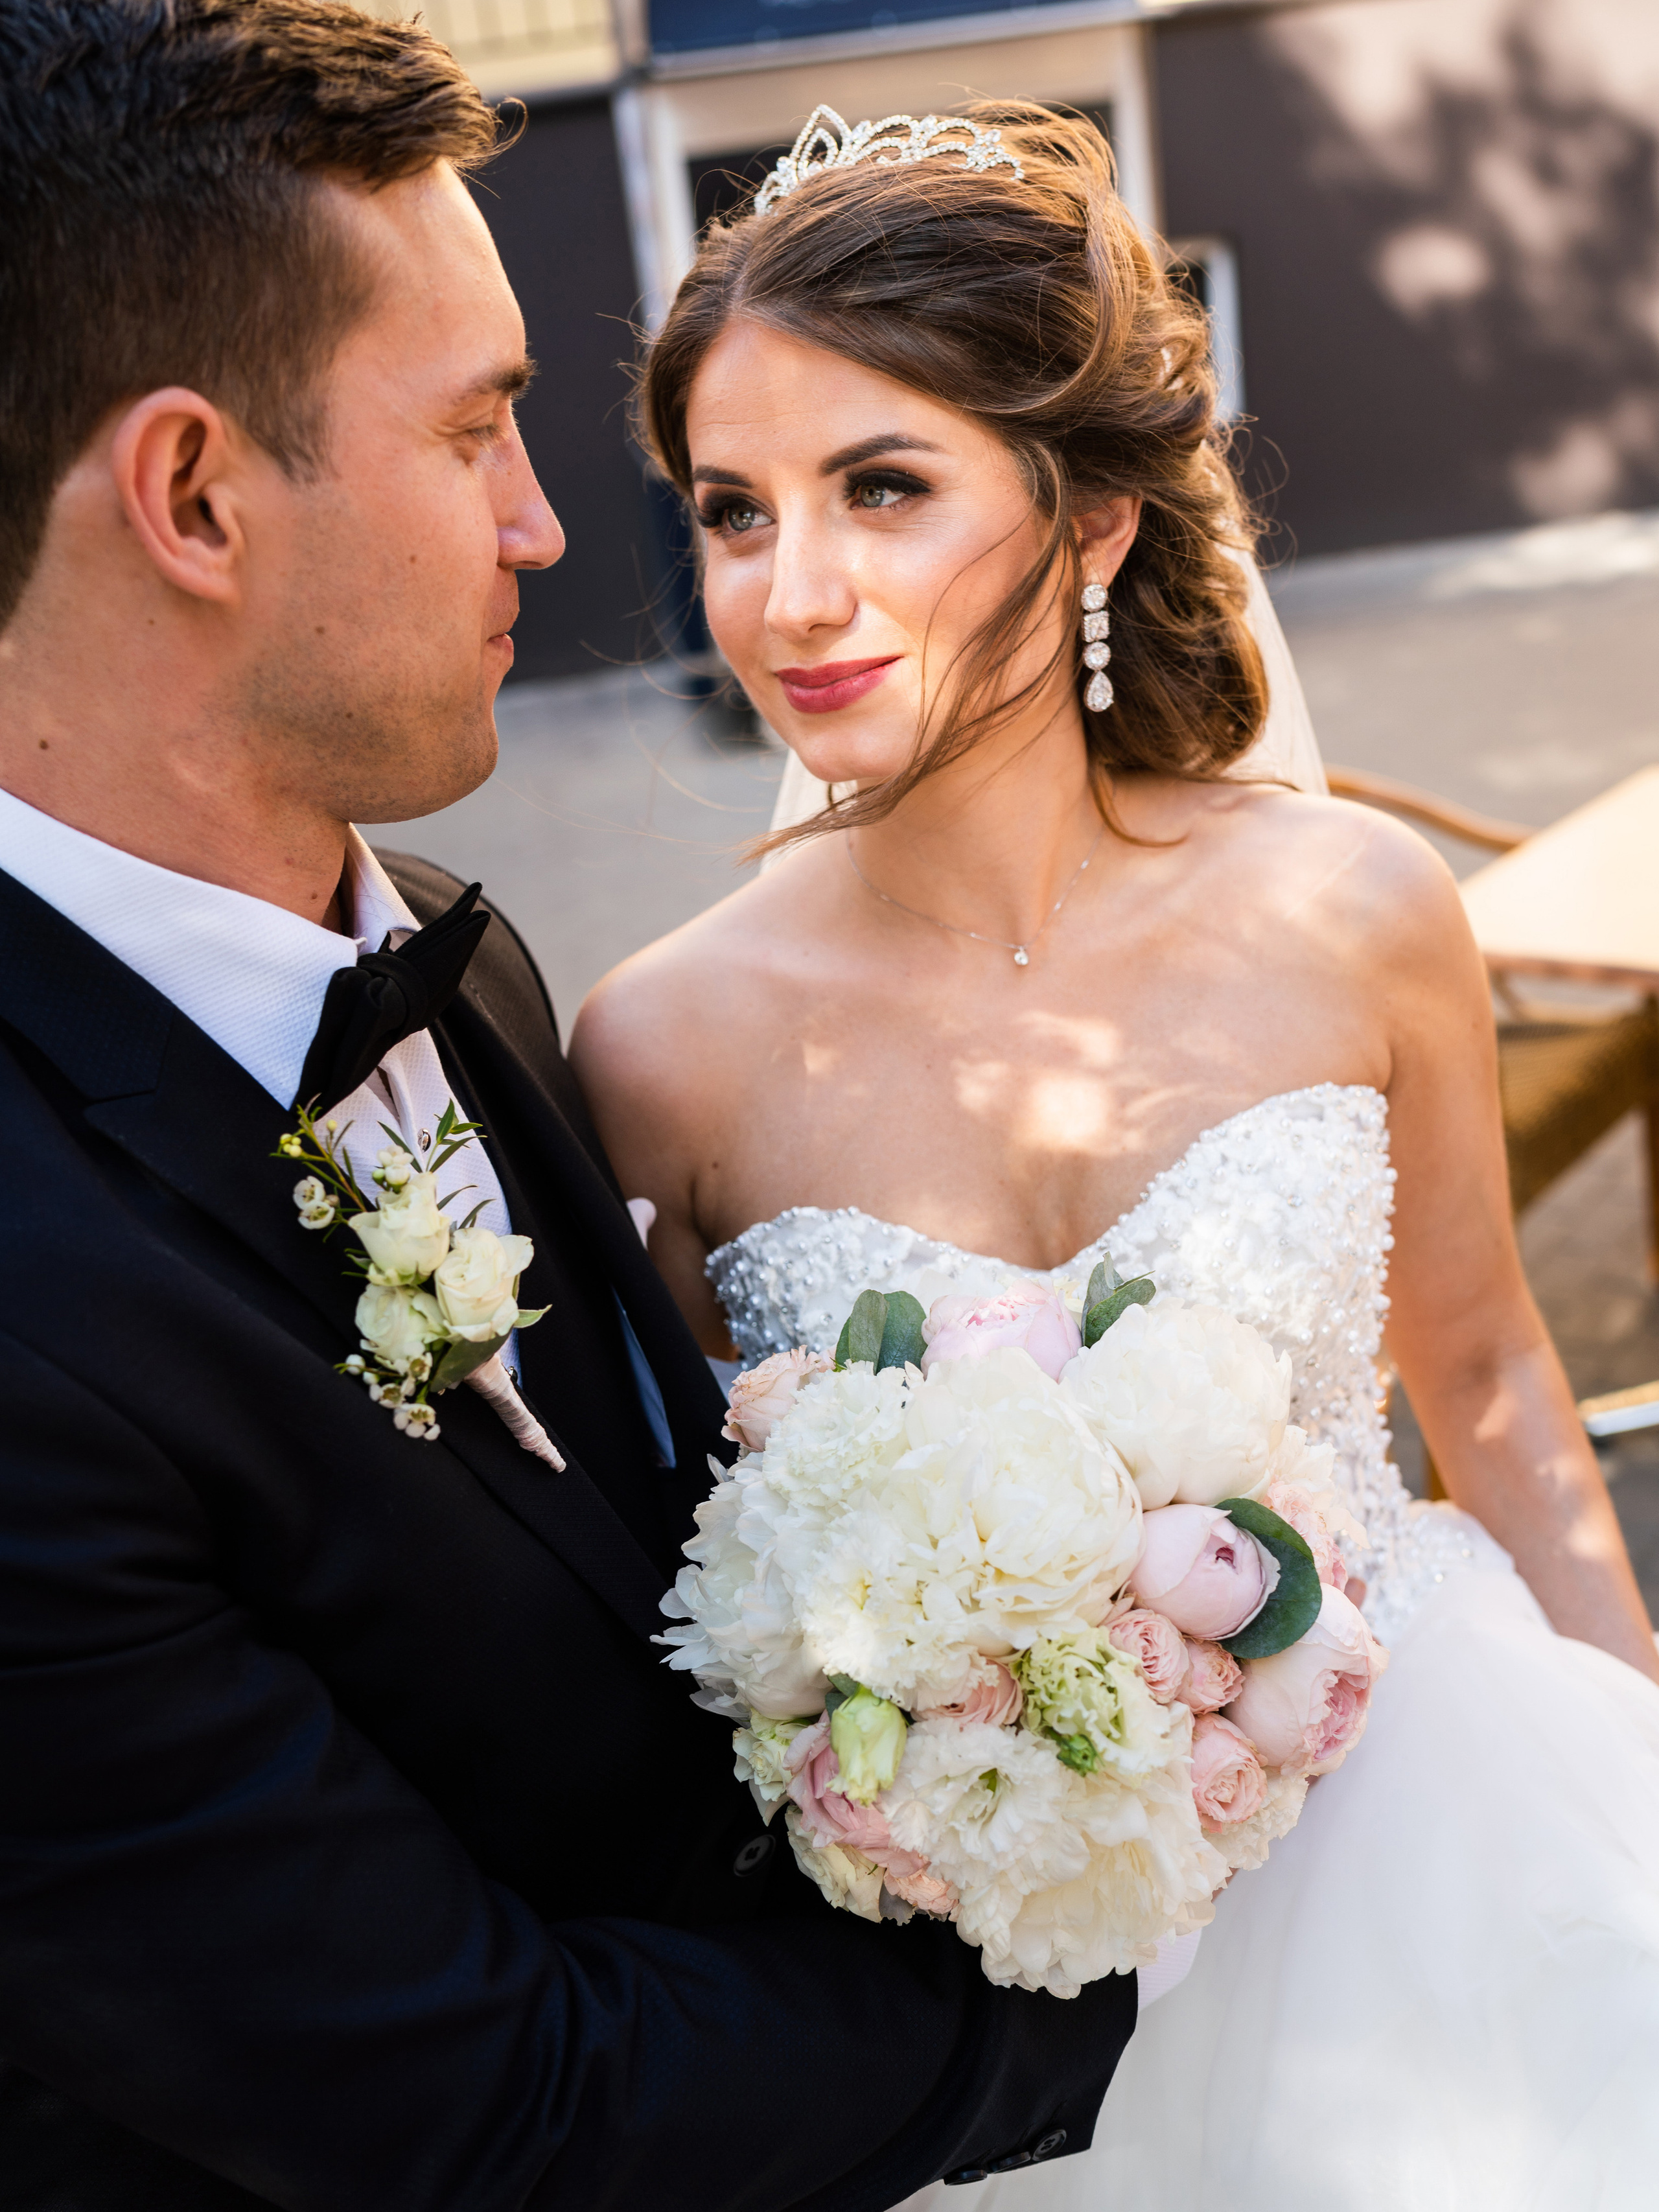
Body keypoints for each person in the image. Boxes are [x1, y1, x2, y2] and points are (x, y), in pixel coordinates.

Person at [0, 21, 1137, 2209]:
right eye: (476, 426)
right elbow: (479, 2107)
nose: (543, 525)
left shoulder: (451, 942)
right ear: (194, 498)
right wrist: (1108, 1948)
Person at [571, 101, 1659, 2209]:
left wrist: (1639, 1737)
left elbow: (1499, 1381)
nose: (794, 595)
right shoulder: (662, 1048)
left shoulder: (1356, 908)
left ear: (1089, 521)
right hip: (962, 1997)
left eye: (883, 486)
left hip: (1435, 1832)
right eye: (730, 509)